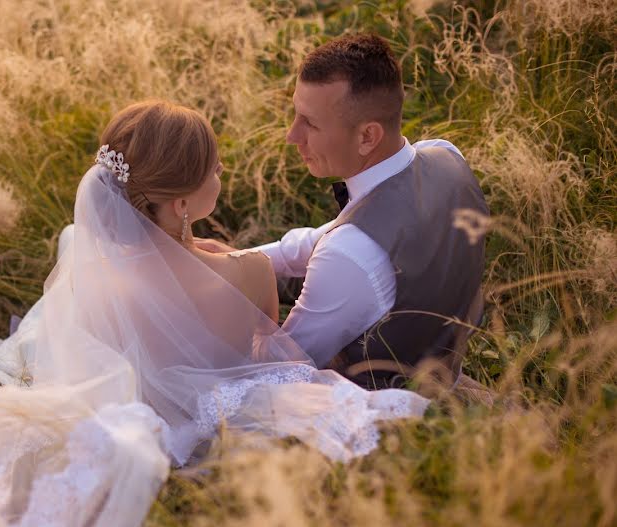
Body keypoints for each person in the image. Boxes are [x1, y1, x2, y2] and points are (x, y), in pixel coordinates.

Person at [0, 100, 428, 527]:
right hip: (204, 402)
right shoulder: (248, 274)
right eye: (214, 170)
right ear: (182, 204)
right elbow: (266, 347)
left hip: (131, 395)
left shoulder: (94, 280)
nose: (221, 172)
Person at [199, 34, 489, 390]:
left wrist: (237, 308)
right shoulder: (445, 155)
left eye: (311, 123)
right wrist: (237, 259)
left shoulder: (349, 255)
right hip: (446, 362)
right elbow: (333, 236)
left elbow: (282, 365)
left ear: (368, 137)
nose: (292, 135)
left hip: (392, 409)